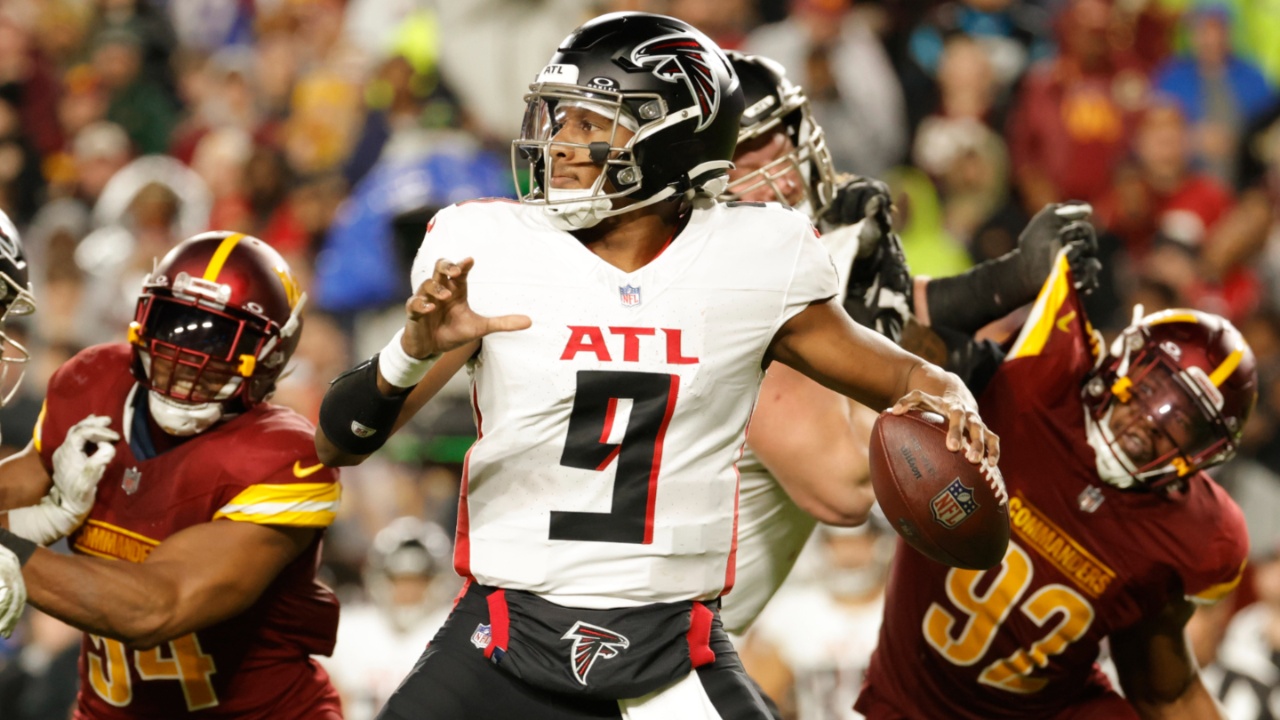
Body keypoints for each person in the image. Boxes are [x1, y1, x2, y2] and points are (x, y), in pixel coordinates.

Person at [315, 12, 999, 720]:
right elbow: (339, 440)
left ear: (672, 140)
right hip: (501, 642)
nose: (560, 144)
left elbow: (905, 380)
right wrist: (409, 354)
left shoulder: (752, 259)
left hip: (669, 656)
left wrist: (951, 395)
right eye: (559, 118)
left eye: (591, 124)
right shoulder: (491, 249)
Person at [716, 50, 1102, 637]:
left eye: (781, 136)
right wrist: (941, 372)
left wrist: (1008, 280)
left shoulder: (762, 256)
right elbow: (844, 489)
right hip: (626, 636)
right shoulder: (729, 291)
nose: (780, 167)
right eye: (745, 153)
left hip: (657, 628)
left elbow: (872, 322)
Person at [855, 259, 1256, 717]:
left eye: (1182, 421)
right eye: (1149, 388)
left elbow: (1165, 690)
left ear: (1206, 453)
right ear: (1121, 360)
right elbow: (892, 328)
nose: (1150, 422)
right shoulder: (1037, 376)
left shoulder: (1193, 531)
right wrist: (1007, 276)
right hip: (912, 702)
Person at [0, 231, 345, 719]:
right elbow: (24, 480)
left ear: (270, 356)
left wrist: (10, 556)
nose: (187, 359)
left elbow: (156, 607)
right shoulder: (94, 381)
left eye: (219, 338)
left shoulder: (283, 458)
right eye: (176, 324)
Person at [321, 516, 456, 720]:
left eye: (417, 580)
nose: (408, 591)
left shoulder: (453, 629)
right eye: (400, 580)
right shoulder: (351, 627)